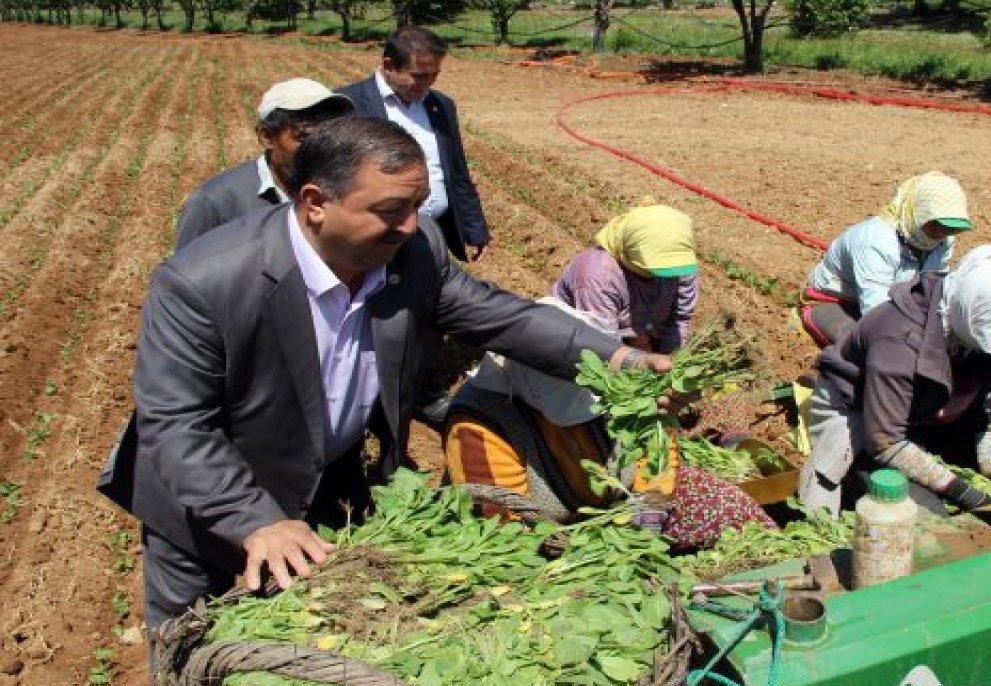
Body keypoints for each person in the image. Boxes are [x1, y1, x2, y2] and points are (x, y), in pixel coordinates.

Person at [96, 117, 668, 630]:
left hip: (322, 486)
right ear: (317, 203)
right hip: (208, 509)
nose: (411, 226)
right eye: (391, 210)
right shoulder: (205, 282)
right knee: (195, 651)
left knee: (305, 653)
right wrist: (256, 522)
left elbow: (507, 319)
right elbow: (176, 424)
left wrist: (620, 359)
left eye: (417, 205)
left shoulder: (411, 253)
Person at [443, 298, 775, 548]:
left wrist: (648, 516)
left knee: (728, 507)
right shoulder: (480, 423)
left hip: (627, 511)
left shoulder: (621, 376)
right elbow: (501, 524)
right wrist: (581, 548)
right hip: (553, 541)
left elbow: (657, 453)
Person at [798, 245, 991, 517]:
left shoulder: (987, 319)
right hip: (871, 426)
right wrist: (965, 493)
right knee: (925, 518)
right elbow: (886, 442)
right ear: (963, 313)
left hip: (946, 417)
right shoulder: (898, 334)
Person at [338, 26, 490, 264]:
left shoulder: (441, 105)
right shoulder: (349, 104)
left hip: (433, 233)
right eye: (418, 76)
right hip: (378, 235)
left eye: (434, 75)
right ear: (388, 65)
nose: (427, 84)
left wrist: (474, 228)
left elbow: (456, 171)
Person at [175, 78, 353, 249]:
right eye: (304, 137)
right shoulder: (216, 202)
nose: (320, 147)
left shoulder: (347, 191)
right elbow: (186, 274)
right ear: (267, 137)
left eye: (328, 136)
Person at [799, 171, 971, 348]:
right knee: (881, 350)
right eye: (937, 224)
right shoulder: (875, 242)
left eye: (952, 228)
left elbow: (932, 289)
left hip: (895, 304)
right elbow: (875, 310)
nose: (943, 233)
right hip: (836, 302)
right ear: (918, 214)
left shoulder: (944, 241)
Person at [553, 202, 699, 353]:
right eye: (659, 268)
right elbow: (603, 346)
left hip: (645, 333)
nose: (672, 272)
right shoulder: (598, 275)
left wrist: (671, 353)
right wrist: (641, 359)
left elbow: (681, 318)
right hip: (582, 342)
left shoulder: (678, 258)